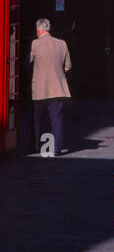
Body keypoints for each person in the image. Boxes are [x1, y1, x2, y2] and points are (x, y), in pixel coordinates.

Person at [29, 17, 72, 155]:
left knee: (37, 119)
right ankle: (57, 148)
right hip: (58, 88)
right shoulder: (62, 43)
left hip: (40, 88)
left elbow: (28, 62)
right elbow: (68, 66)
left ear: (38, 29)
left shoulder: (34, 44)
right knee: (56, 119)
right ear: (49, 29)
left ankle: (37, 146)